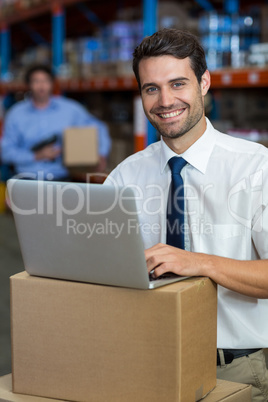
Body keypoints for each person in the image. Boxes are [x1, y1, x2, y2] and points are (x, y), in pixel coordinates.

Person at [105, 29, 268, 401]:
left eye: (178, 83)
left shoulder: (256, 168)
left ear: (204, 82)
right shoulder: (125, 177)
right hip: (144, 362)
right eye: (151, 88)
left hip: (232, 370)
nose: (165, 101)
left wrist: (196, 262)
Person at [1, 64, 111, 181]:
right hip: (26, 179)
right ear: (29, 85)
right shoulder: (16, 113)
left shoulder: (70, 109)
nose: (41, 86)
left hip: (61, 178)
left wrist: (101, 153)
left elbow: (99, 127)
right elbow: (6, 152)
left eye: (45, 81)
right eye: (36, 81)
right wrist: (36, 156)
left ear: (52, 83)